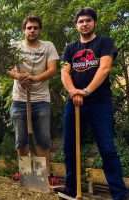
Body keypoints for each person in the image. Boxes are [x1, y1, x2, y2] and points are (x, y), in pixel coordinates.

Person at [61, 7, 128, 199]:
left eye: (88, 20)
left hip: (100, 103)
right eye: (80, 21)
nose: (84, 24)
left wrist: (86, 91)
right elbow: (65, 72)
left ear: (94, 23)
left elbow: (105, 68)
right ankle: (71, 189)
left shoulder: (104, 43)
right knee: (70, 148)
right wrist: (74, 91)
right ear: (76, 25)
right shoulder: (70, 48)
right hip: (74, 103)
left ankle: (119, 194)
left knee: (107, 148)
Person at [8, 15, 59, 181]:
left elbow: (52, 69)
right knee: (21, 140)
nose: (32, 30)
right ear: (24, 30)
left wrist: (34, 78)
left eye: (35, 28)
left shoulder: (48, 47)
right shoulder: (14, 46)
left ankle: (44, 175)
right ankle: (26, 174)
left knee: (43, 139)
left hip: (41, 100)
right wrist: (19, 77)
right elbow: (8, 69)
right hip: (19, 99)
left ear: (40, 30)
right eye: (29, 28)